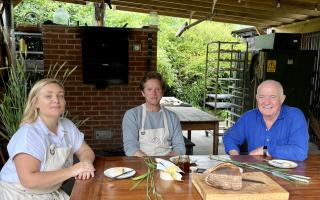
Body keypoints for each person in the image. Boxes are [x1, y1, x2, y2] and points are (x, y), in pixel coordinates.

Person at [0, 78, 95, 199]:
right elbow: (29, 180)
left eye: (60, 96)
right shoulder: (28, 134)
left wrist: (86, 163)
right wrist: (73, 170)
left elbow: (85, 151)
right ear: (35, 102)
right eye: (48, 96)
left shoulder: (67, 125)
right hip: (20, 194)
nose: (56, 100)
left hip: (50, 192)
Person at [223, 80, 309, 161]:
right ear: (257, 98)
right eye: (261, 97)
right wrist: (234, 154)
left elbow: (300, 152)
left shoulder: (294, 116)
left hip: (287, 174)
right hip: (255, 173)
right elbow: (230, 137)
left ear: (282, 99)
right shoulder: (249, 117)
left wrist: (265, 150)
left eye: (272, 97)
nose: (266, 102)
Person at [122, 71, 186, 157]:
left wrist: (167, 161)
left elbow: (180, 147)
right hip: (141, 162)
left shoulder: (172, 117)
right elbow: (130, 147)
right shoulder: (132, 115)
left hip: (167, 164)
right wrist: (150, 162)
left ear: (162, 92)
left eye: (157, 89)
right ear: (143, 93)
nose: (154, 93)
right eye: (149, 89)